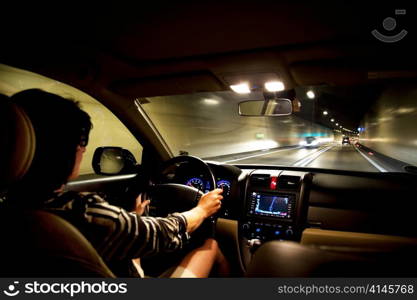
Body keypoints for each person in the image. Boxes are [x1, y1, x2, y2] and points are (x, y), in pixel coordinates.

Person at [7, 89, 229, 277]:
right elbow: (165, 233)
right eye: (81, 141)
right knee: (211, 246)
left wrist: (132, 219)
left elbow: (124, 240)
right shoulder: (84, 212)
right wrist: (202, 209)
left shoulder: (13, 208)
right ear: (60, 149)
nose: (83, 149)